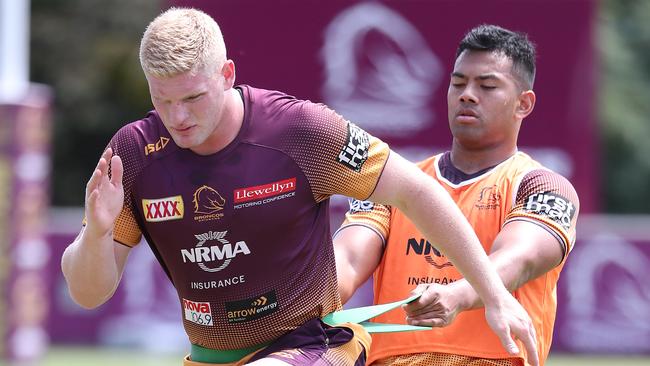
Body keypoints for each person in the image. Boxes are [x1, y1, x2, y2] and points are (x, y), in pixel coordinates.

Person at [60, 9, 538, 366]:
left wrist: (493, 295)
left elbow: (417, 190)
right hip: (208, 355)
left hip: (314, 345)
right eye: (161, 100)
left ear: (227, 75)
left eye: (193, 97)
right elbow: (88, 293)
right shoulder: (135, 155)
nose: (178, 117)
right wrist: (97, 235)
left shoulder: (302, 132)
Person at [334, 24, 580, 366]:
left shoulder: (541, 186)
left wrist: (457, 296)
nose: (467, 94)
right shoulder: (394, 183)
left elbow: (518, 260)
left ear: (523, 104)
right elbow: (346, 260)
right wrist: (299, 299)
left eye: (487, 85)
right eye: (458, 83)